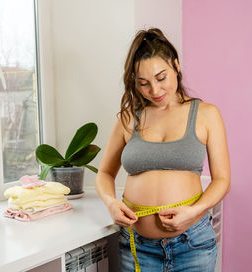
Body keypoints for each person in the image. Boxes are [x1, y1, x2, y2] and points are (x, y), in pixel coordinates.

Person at [95, 28, 231, 272]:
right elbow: (104, 173)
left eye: (161, 78)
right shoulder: (128, 119)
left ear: (176, 66)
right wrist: (110, 203)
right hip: (137, 246)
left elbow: (222, 180)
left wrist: (195, 211)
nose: (155, 91)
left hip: (192, 244)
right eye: (143, 84)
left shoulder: (206, 115)